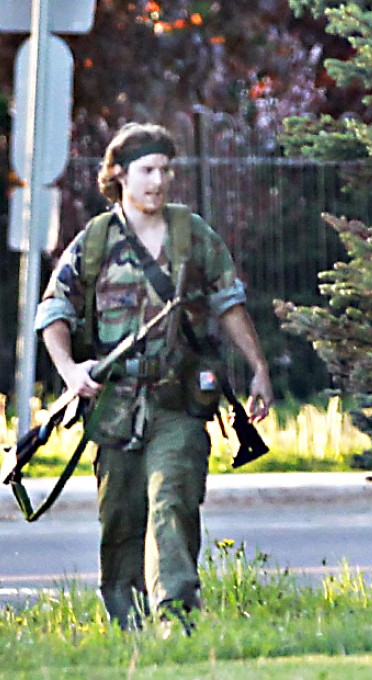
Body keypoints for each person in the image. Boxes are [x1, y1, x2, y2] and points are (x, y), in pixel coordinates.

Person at [34, 122, 274, 633]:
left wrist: (259, 368)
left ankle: (178, 621)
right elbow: (54, 309)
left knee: (173, 501)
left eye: (166, 170)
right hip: (114, 407)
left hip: (178, 401)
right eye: (147, 170)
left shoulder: (193, 234)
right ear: (119, 175)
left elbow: (228, 304)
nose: (158, 181)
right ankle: (129, 622)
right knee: (120, 518)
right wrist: (69, 370)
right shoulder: (95, 241)